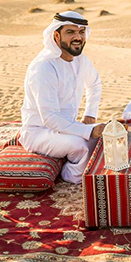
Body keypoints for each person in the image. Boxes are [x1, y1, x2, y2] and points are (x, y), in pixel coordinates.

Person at [19, 11, 105, 184]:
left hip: (68, 127)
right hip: (39, 131)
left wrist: (90, 116)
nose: (78, 37)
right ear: (56, 36)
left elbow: (94, 85)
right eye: (70, 32)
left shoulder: (81, 60)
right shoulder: (44, 67)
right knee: (80, 147)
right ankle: (69, 176)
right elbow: (50, 118)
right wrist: (87, 131)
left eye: (81, 32)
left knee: (108, 138)